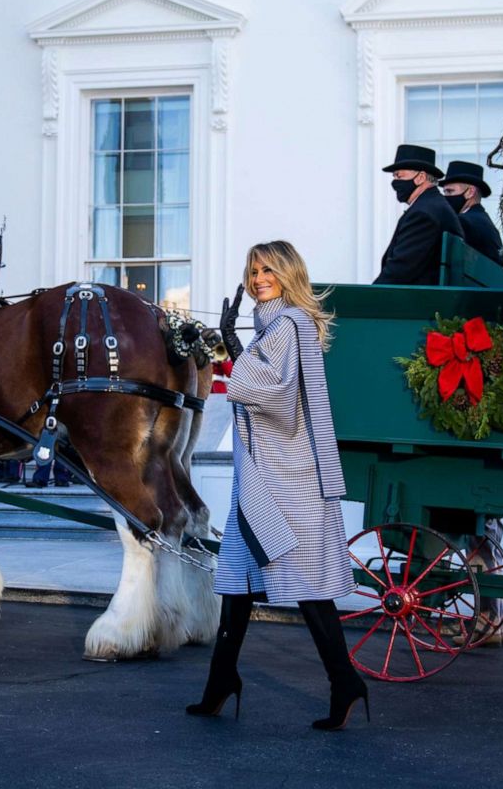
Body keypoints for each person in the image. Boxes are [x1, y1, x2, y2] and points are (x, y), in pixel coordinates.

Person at [186, 241, 368, 731]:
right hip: (267, 477)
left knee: (307, 586)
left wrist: (234, 345)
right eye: (252, 269)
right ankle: (221, 679)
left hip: (287, 480)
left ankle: (344, 682)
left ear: (288, 273)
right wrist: (240, 343)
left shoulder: (287, 325)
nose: (258, 277)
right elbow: (272, 386)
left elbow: (274, 396)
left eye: (268, 269)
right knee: (238, 581)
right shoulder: (280, 324)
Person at [374, 144, 464, 285]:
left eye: (399, 176)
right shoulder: (433, 205)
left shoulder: (423, 213)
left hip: (420, 302)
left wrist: (367, 298)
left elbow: (400, 270)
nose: (395, 182)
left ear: (421, 177)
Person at [441, 160, 503, 266]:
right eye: (445, 192)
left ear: (470, 192)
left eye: (450, 191)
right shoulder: (484, 221)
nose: (445, 197)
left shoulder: (464, 222)